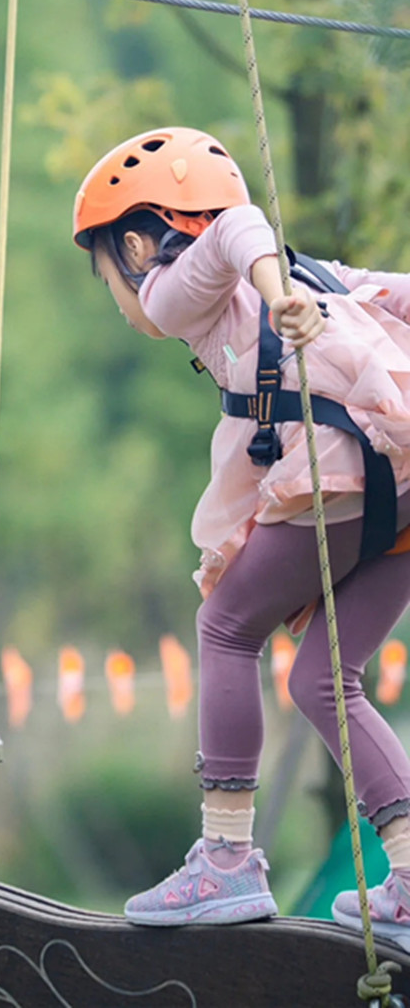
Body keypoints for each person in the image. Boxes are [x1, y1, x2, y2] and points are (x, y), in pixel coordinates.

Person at [73, 126, 410, 948]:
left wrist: (270, 284)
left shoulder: (177, 280)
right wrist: (285, 289)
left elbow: (231, 227)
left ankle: (225, 855)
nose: (120, 299)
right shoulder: (314, 274)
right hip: (403, 477)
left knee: (225, 625)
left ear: (138, 239)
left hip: (342, 466)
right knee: (326, 679)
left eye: (107, 273)